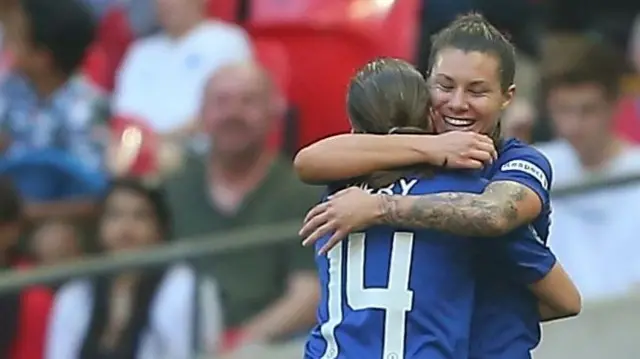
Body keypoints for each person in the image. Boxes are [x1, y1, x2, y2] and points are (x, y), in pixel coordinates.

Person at [296, 13, 581, 358]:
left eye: (477, 90)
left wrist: (380, 210)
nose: (457, 103)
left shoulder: (514, 162)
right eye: (445, 86)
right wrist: (434, 147)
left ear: (507, 97)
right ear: (426, 82)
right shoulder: (384, 168)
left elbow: (494, 214)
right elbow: (307, 161)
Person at [305, 57, 488, 359]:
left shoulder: (334, 199)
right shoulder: (466, 191)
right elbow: (564, 300)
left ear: (354, 130)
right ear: (431, 116)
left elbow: (308, 161)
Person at [163, 62, 320, 351]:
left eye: (248, 101)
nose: (233, 113)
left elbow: (308, 296)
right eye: (221, 101)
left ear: (274, 114)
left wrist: (238, 345)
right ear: (201, 115)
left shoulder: (300, 192)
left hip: (272, 345)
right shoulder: (172, 188)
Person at [46, 178, 222, 359]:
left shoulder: (186, 288)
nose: (126, 230)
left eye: (140, 216)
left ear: (159, 230)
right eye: (115, 216)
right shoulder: (75, 293)